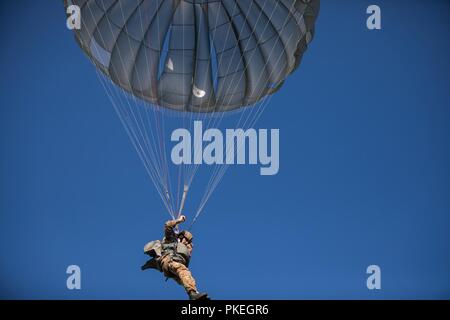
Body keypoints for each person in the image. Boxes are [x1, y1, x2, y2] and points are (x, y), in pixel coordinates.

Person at [141, 215, 208, 300]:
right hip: (169, 262)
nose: (186, 242)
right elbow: (168, 225)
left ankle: (195, 294)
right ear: (181, 237)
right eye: (185, 239)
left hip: (172, 269)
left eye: (188, 241)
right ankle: (193, 294)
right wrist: (179, 220)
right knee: (183, 271)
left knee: (187, 278)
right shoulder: (170, 239)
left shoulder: (186, 248)